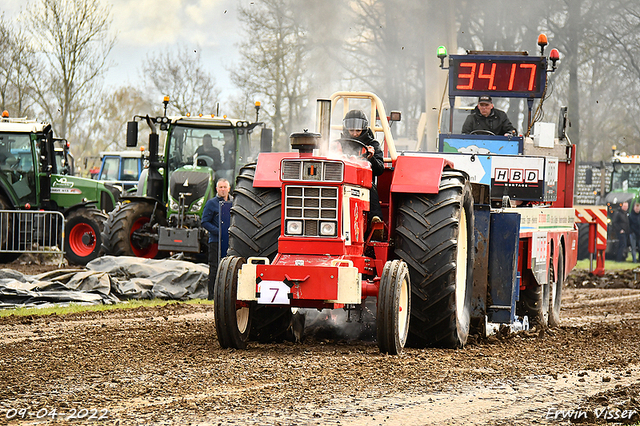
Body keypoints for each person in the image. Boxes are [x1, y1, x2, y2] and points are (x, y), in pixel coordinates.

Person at [341, 109, 384, 239]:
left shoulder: (372, 144)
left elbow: (380, 169)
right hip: (342, 181)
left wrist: (371, 158)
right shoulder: (338, 144)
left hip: (364, 182)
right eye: (351, 130)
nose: (354, 134)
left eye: (357, 131)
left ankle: (375, 223)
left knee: (370, 188)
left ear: (364, 129)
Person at [201, 178, 232, 299]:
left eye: (225, 187)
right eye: (221, 187)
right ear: (216, 189)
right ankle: (212, 295)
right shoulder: (211, 204)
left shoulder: (233, 202)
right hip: (215, 241)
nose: (223, 190)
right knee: (214, 267)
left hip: (229, 242)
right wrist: (219, 232)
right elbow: (205, 222)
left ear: (229, 188)